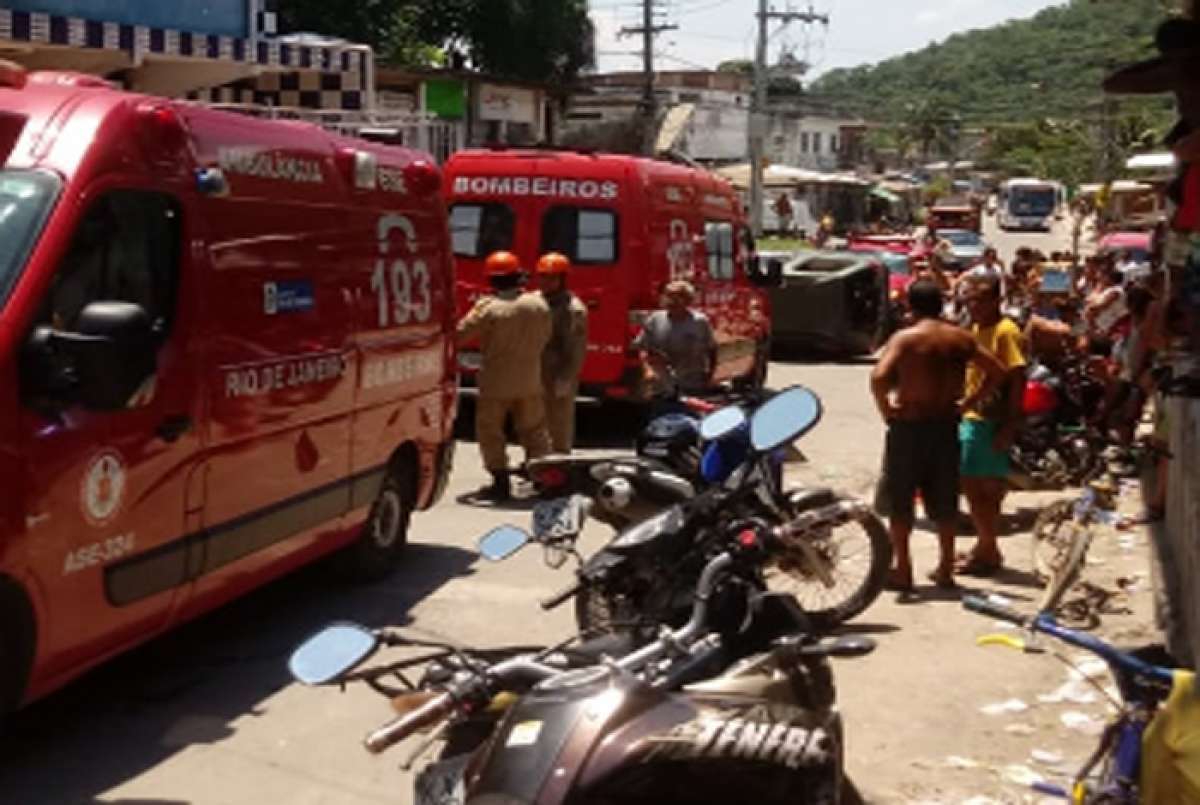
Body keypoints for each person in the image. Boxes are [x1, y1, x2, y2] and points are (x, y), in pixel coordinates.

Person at [871, 280, 1006, 591]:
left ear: (909, 305)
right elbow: (997, 372)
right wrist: (968, 403)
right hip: (946, 424)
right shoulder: (960, 338)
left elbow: (879, 377)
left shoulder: (905, 338)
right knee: (945, 501)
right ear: (941, 304)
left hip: (910, 426)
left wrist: (886, 410)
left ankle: (903, 569)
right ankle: (945, 569)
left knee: (901, 501)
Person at [457, 251, 553, 501]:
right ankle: (545, 480)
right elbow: (546, 337)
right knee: (534, 431)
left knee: (491, 431)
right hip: (530, 379)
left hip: (496, 382)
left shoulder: (489, 309)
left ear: (493, 281)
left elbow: (460, 335)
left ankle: (500, 483)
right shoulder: (538, 304)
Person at [957, 273, 1027, 576]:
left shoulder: (1006, 331)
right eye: (970, 299)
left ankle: (989, 550)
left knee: (977, 488)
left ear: (997, 300)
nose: (974, 305)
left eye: (981, 300)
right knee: (982, 491)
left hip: (989, 420)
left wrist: (1010, 425)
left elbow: (1016, 379)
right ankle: (984, 548)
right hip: (974, 418)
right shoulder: (973, 329)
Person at [537, 252, 589, 454]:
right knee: (534, 420)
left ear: (562, 279)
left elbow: (576, 348)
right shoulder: (534, 301)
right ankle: (538, 459)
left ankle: (560, 462)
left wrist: (566, 377)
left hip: (557, 370)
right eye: (543, 276)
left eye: (551, 278)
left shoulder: (573, 310)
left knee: (559, 421)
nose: (546, 282)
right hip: (534, 369)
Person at [634, 280, 717, 400]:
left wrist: (710, 375)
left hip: (692, 383)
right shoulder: (655, 319)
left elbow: (712, 349)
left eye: (676, 298)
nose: (670, 301)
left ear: (687, 300)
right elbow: (642, 348)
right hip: (661, 386)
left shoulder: (700, 322)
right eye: (667, 297)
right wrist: (648, 370)